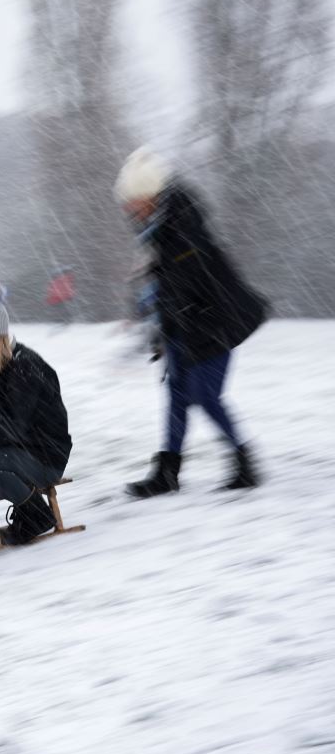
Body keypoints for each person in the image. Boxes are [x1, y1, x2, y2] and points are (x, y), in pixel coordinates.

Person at [113, 147, 268, 496]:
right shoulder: (159, 229)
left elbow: (184, 283)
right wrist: (158, 324)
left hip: (213, 323)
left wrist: (162, 311)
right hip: (185, 324)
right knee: (177, 393)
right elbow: (166, 284)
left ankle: (245, 461)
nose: (127, 209)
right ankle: (168, 472)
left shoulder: (182, 226)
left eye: (132, 201)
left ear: (149, 196)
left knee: (204, 395)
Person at [0, 279, 73, 545]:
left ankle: (36, 514)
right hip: (9, 450)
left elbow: (15, 427)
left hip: (44, 454)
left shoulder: (25, 366)